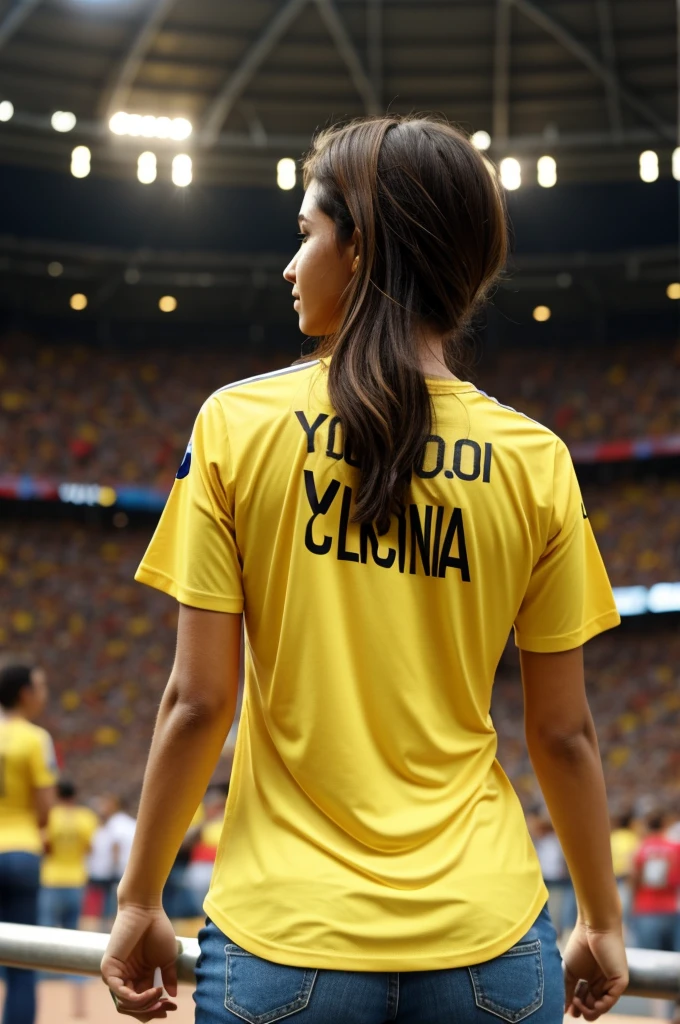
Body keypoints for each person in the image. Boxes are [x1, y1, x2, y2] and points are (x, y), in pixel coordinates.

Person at [102, 115, 629, 1023]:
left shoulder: (236, 425)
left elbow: (199, 702)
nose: (289, 265)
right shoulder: (536, 458)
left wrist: (140, 900)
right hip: (491, 942)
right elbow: (565, 734)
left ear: (360, 250)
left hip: (285, 939)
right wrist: (602, 917)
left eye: (305, 235)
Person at [0, 661, 56, 1024]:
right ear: (25, 693)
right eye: (41, 687)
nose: (45, 695)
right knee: (22, 965)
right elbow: (44, 807)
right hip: (20, 851)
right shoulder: (35, 738)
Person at [39, 779, 99, 1018]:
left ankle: (41, 1001)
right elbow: (90, 848)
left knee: (43, 938)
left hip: (51, 879)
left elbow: (45, 846)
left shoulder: (49, 816)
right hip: (76, 880)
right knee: (75, 937)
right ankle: (78, 1004)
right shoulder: (86, 817)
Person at [631, 810, 680, 953]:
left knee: (648, 959)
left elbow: (634, 877)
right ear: (665, 824)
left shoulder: (640, 847)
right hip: (671, 908)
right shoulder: (675, 847)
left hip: (645, 908)